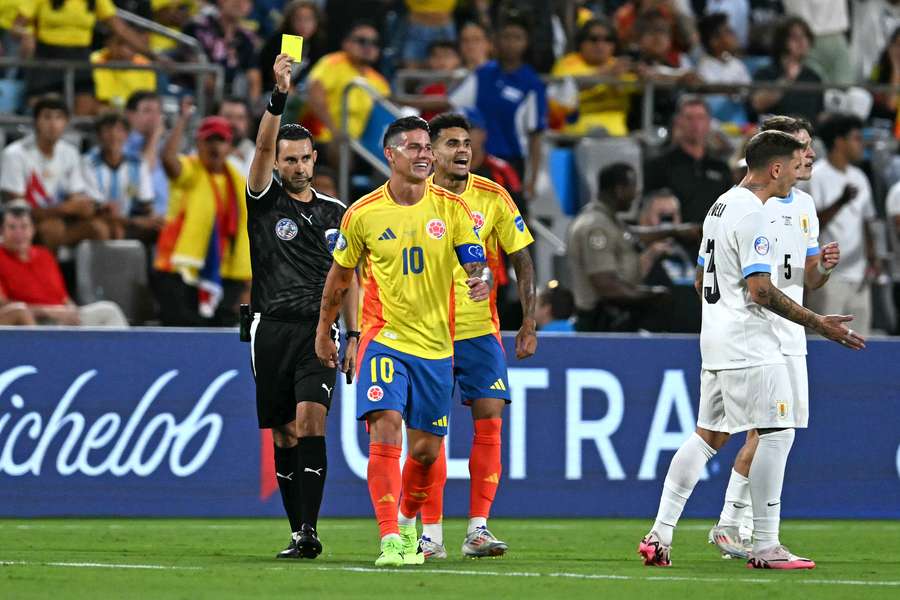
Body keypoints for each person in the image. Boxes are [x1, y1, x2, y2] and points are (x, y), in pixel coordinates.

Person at [638, 130, 865, 570]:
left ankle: (660, 534)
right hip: (752, 344)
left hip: (718, 340)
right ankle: (764, 543)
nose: (797, 175)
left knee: (708, 436)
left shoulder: (720, 205)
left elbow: (702, 278)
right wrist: (818, 322)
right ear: (775, 168)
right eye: (793, 164)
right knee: (776, 432)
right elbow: (761, 290)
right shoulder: (756, 215)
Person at [314, 116, 489, 567]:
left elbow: (475, 263)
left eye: (427, 148)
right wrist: (327, 333)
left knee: (427, 453)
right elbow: (339, 279)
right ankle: (390, 537)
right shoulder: (363, 213)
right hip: (383, 337)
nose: (424, 155)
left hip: (435, 347)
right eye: (413, 148)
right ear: (390, 155)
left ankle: (408, 521)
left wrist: (480, 282)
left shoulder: (451, 209)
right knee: (386, 423)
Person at [708, 115, 842, 559]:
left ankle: (737, 527)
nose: (808, 154)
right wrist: (818, 322)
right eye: (801, 146)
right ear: (777, 160)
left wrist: (822, 266)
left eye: (809, 145)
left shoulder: (802, 206)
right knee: (766, 433)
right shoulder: (751, 204)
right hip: (756, 332)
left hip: (791, 335)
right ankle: (738, 525)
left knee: (774, 433)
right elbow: (753, 285)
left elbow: (806, 279)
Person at [246, 53, 359, 560]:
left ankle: (310, 532)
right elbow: (262, 140)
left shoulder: (339, 213)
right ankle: (296, 530)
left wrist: (352, 334)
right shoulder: (264, 200)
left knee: (311, 419)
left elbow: (349, 278)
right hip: (268, 329)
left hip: (319, 332)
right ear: (276, 163)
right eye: (287, 159)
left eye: (304, 158)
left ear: (315, 160)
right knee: (284, 431)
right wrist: (280, 94)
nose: (296, 166)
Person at [415, 112, 537, 560]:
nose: (462, 151)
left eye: (466, 143)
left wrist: (528, 320)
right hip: (424, 332)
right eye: (451, 143)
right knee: (430, 434)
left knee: (490, 416)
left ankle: (478, 529)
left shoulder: (494, 196)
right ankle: (431, 534)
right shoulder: (414, 199)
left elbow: (522, 257)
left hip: (478, 329)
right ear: (431, 151)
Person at [153, 100, 251, 326]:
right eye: (208, 141)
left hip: (224, 272)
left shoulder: (238, 181)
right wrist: (183, 120)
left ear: (229, 147)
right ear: (198, 144)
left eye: (221, 141)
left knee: (218, 334)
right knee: (183, 333)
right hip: (179, 271)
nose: (214, 147)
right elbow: (168, 160)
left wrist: (246, 278)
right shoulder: (190, 170)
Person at [449, 14, 547, 205]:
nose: (510, 43)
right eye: (506, 36)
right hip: (477, 162)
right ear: (495, 41)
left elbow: (535, 136)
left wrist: (532, 179)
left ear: (526, 43)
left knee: (507, 226)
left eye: (517, 37)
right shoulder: (482, 74)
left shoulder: (531, 83)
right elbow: (450, 102)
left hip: (511, 164)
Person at [567, 163, 668, 332]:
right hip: (599, 325)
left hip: (613, 322)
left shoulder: (611, 221)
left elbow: (634, 235)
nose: (636, 194)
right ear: (619, 189)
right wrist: (652, 295)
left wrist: (676, 232)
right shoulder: (596, 226)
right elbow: (606, 286)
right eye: (633, 187)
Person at [803, 114, 879, 337]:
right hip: (827, 276)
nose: (861, 144)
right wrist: (841, 202)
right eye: (856, 138)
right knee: (825, 343)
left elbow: (866, 221)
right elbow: (810, 224)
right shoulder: (816, 176)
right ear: (839, 141)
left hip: (859, 277)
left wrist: (872, 260)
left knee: (860, 341)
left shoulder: (860, 177)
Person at [0, 95, 106, 251]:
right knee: (52, 229)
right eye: (47, 117)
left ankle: (84, 275)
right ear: (36, 122)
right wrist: (65, 208)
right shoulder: (15, 154)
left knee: (99, 228)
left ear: (66, 123)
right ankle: (47, 274)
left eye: (59, 117)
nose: (53, 124)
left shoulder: (70, 152)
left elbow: (76, 197)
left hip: (60, 220)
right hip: (25, 224)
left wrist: (84, 207)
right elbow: (17, 208)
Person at [0, 200, 129, 327]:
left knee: (109, 311)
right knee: (21, 311)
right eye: (12, 227)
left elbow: (63, 297)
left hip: (62, 318)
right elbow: (6, 307)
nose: (19, 233)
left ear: (33, 230)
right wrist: (50, 312)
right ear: (2, 231)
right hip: (33, 322)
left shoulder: (44, 255)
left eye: (24, 227)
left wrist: (71, 312)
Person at [14, 0, 153, 115]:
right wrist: (25, 34)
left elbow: (121, 30)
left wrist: (153, 55)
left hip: (79, 58)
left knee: (84, 112)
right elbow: (16, 27)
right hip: (47, 58)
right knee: (46, 112)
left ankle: (75, 146)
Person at [304, 21, 391, 165]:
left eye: (374, 43)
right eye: (362, 41)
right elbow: (315, 97)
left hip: (358, 146)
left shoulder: (380, 82)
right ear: (346, 43)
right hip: (320, 137)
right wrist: (335, 132)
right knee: (341, 149)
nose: (368, 47)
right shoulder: (332, 63)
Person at [643, 96, 732, 228]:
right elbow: (649, 209)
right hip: (674, 241)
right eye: (689, 118)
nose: (695, 124)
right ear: (678, 122)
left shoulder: (721, 167)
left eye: (700, 118)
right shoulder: (659, 165)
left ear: (708, 122)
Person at [550, 18, 637, 137]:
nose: (600, 45)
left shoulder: (620, 65)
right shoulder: (568, 63)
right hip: (574, 138)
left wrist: (646, 74)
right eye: (593, 39)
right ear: (581, 42)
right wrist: (607, 74)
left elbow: (638, 85)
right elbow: (564, 89)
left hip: (617, 138)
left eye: (608, 39)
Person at [82, 112, 161, 242]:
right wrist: (134, 222)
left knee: (163, 228)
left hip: (129, 221)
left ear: (127, 135)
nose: (114, 135)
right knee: (110, 228)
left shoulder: (138, 163)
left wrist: (154, 219)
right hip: (100, 220)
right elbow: (96, 210)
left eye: (119, 130)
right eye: (108, 130)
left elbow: (146, 204)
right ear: (99, 135)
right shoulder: (88, 163)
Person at [750, 16, 824, 126]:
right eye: (794, 37)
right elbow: (757, 104)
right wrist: (787, 80)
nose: (802, 42)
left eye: (805, 36)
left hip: (809, 136)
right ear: (781, 41)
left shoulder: (813, 77)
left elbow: (818, 114)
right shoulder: (766, 73)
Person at [258, 0, 326, 91]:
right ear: (290, 21)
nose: (303, 24)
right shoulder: (281, 40)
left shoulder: (316, 44)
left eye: (308, 19)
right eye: (298, 19)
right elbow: (279, 77)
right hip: (272, 93)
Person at [124, 91, 167, 217]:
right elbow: (144, 172)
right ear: (129, 115)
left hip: (168, 215)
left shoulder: (164, 146)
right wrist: (154, 136)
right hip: (137, 215)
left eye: (158, 112)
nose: (154, 118)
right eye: (147, 111)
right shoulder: (121, 143)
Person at [90, 32, 157, 110]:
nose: (123, 50)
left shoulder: (144, 64)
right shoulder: (95, 61)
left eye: (129, 45)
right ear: (108, 43)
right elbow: (98, 101)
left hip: (135, 114)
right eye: (119, 43)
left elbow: (147, 99)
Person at [217, 96, 255, 177]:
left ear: (248, 123)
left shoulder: (256, 155)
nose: (233, 123)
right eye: (228, 116)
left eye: (240, 118)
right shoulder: (202, 151)